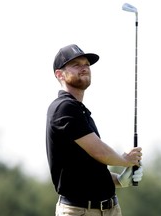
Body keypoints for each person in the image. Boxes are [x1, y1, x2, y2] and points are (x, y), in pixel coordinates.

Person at [46, 44, 143, 216]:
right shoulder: (63, 108)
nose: (84, 68)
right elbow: (100, 152)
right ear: (59, 74)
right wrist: (125, 160)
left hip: (109, 209)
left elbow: (91, 168)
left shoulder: (79, 110)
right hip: (79, 211)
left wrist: (119, 180)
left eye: (86, 64)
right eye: (76, 65)